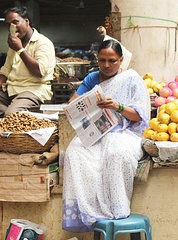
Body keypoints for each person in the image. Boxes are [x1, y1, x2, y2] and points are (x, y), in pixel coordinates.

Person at [62, 39, 150, 232]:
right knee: (74, 151)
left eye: (112, 61)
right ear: (97, 59)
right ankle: (86, 212)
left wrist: (116, 106)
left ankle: (117, 208)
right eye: (102, 60)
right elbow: (73, 104)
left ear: (121, 60)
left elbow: (139, 116)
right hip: (96, 133)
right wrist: (87, 103)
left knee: (115, 151)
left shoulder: (131, 79)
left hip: (124, 133)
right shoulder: (92, 79)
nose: (107, 65)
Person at [0, 7, 55, 118]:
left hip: (33, 90)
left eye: (15, 22)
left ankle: (11, 115)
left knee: (11, 115)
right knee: (11, 115)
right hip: (11, 90)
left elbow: (39, 71)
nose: (12, 27)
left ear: (27, 21)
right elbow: (5, 71)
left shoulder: (43, 43)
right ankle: (12, 116)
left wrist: (20, 50)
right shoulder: (14, 45)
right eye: (8, 24)